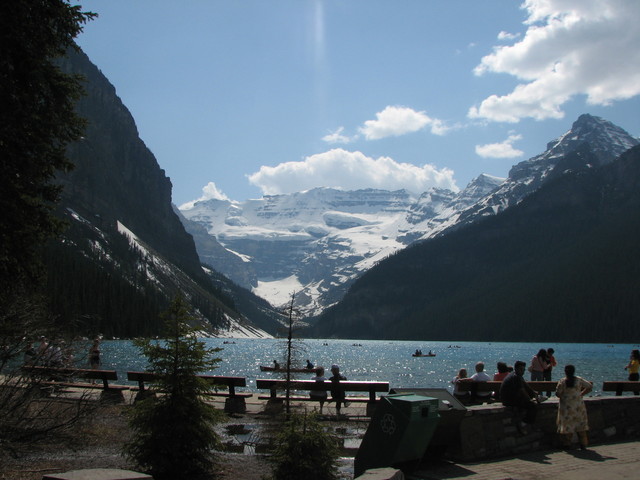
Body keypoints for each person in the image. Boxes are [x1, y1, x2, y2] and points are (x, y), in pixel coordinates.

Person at [556, 364, 592, 449]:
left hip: (566, 407)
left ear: (565, 372)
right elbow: (589, 386)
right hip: (578, 406)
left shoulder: (562, 381)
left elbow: (558, 393)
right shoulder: (579, 380)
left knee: (568, 426)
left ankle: (567, 444)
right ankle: (583, 444)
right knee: (581, 425)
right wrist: (581, 394)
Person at [500, 360, 540, 431]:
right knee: (533, 406)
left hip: (509, 398)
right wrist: (530, 401)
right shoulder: (516, 377)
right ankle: (523, 423)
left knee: (532, 402)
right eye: (521, 369)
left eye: (524, 370)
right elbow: (522, 391)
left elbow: (526, 386)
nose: (523, 371)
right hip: (508, 400)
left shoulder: (517, 376)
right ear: (516, 368)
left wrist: (534, 393)